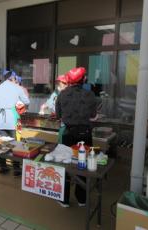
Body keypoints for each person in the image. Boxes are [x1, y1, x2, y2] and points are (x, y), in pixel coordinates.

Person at [55, 67, 97, 208]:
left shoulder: (62, 94)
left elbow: (59, 115)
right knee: (82, 166)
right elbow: (92, 115)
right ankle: (82, 199)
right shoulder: (90, 94)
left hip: (68, 134)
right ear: (83, 79)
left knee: (66, 165)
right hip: (85, 134)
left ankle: (64, 199)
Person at [0, 70, 30, 176]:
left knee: (2, 144)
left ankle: (3, 167)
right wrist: (18, 103)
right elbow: (27, 101)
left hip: (0, 119)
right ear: (13, 78)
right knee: (16, 144)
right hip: (14, 118)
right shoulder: (17, 88)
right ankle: (16, 168)